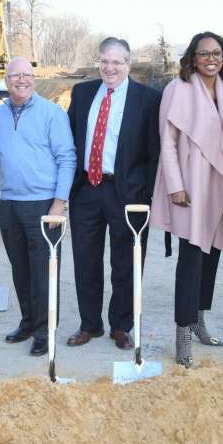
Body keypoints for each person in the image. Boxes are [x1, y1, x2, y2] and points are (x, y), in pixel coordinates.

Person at [65, 37, 162, 350]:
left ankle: (121, 325)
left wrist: (145, 194)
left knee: (127, 262)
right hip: (87, 189)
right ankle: (89, 324)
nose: (110, 67)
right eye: (105, 61)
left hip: (127, 193)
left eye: (117, 62)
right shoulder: (82, 93)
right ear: (99, 61)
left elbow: (154, 153)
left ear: (128, 64)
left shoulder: (147, 99)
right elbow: (71, 142)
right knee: (85, 261)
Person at [149, 31, 223, 367]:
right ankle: (182, 332)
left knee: (211, 256)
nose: (211, 58)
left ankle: (200, 320)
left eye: (217, 53)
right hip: (189, 185)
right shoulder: (178, 88)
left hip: (219, 184)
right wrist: (175, 185)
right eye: (204, 53)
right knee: (190, 259)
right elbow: (167, 140)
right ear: (193, 56)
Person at [0, 57, 76, 356]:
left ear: (34, 78)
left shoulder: (52, 114)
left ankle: (44, 330)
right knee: (20, 269)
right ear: (6, 79)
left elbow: (67, 158)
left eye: (27, 75)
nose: (21, 80)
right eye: (15, 76)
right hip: (10, 203)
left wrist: (59, 204)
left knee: (44, 272)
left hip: (43, 204)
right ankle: (27, 322)